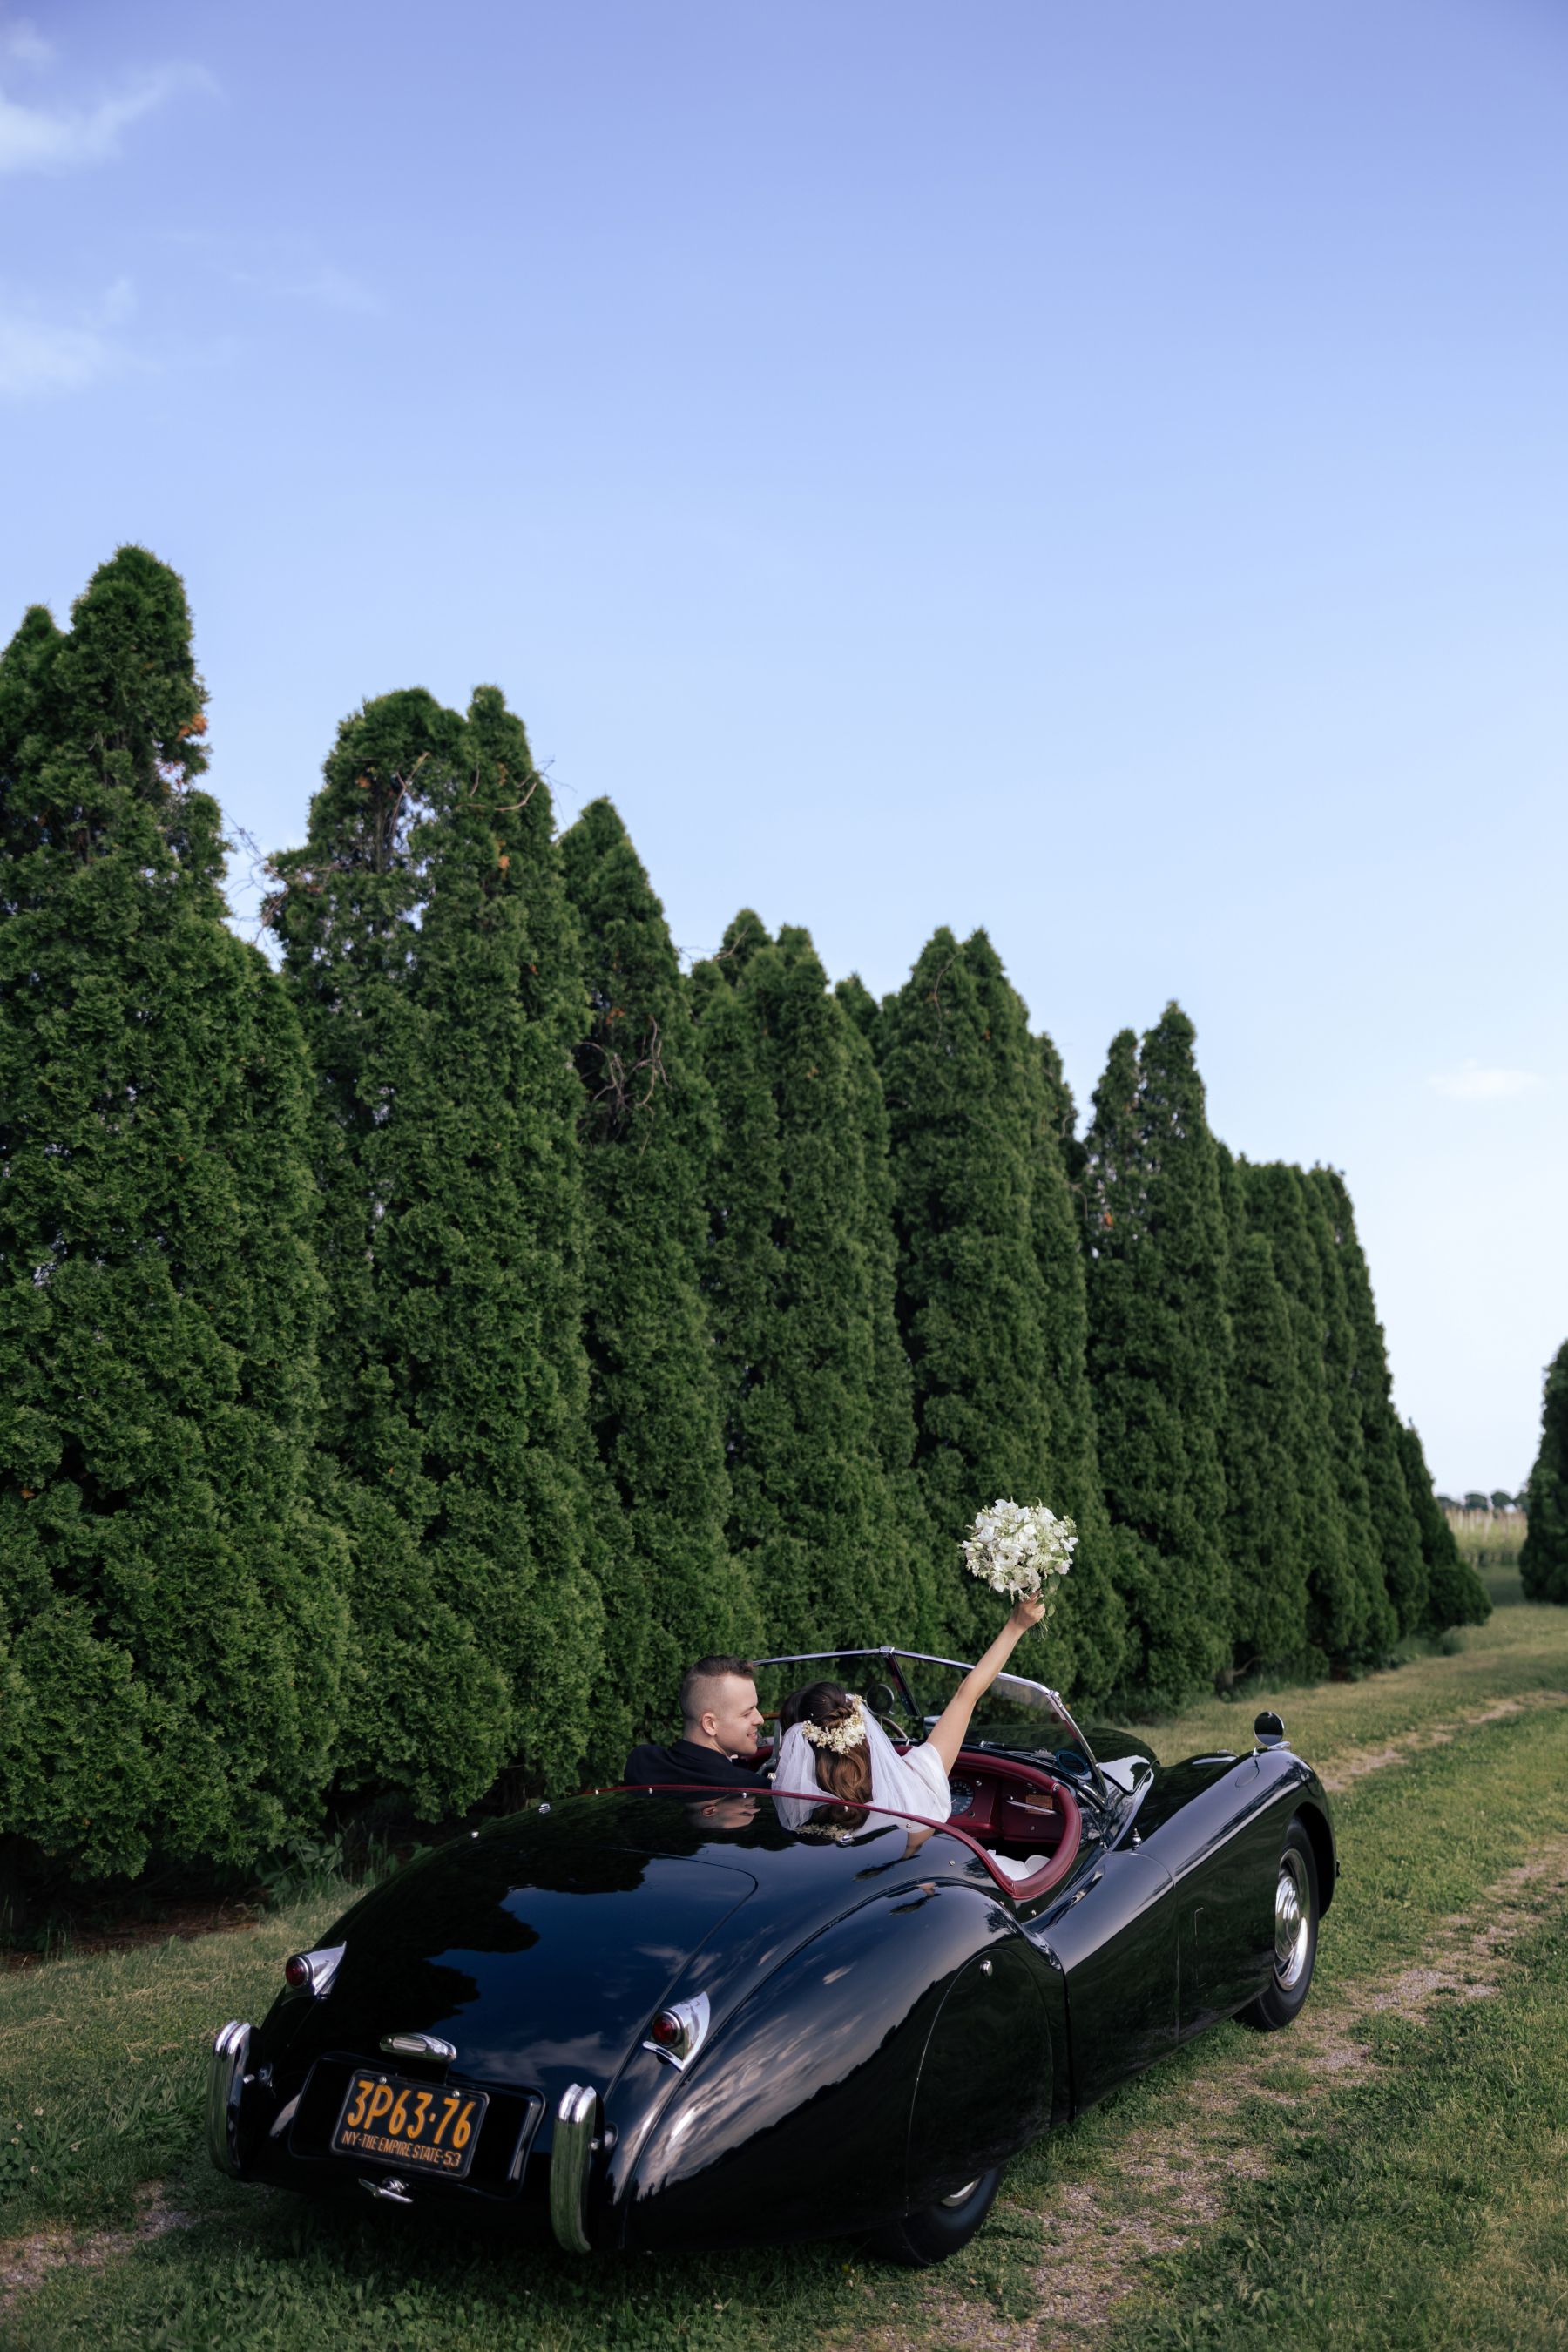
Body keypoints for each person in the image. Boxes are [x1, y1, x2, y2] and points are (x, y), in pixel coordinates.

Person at [773, 1595, 1051, 1876]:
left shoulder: (788, 1820)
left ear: (798, 1746)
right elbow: (966, 1696)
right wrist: (1016, 1625)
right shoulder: (915, 1782)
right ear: (857, 1726)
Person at [623, 1655, 768, 1789]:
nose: (760, 1719)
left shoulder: (642, 1762)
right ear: (710, 1724)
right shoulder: (753, 1788)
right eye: (747, 1713)